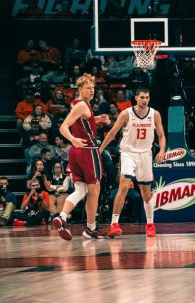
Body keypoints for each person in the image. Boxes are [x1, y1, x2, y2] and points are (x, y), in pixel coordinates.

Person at [99, 87, 166, 238]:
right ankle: (114, 224)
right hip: (128, 153)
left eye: (147, 97)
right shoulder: (126, 114)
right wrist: (100, 150)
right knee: (123, 185)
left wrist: (162, 151)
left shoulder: (154, 114)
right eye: (142, 97)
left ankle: (150, 224)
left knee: (146, 192)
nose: (145, 100)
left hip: (145, 154)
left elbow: (161, 135)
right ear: (136, 98)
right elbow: (112, 133)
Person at [52, 73, 111, 240]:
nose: (92, 91)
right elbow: (63, 127)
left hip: (76, 153)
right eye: (88, 88)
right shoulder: (82, 106)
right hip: (88, 151)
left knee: (80, 190)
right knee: (94, 191)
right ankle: (91, 228)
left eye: (93, 88)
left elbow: (82, 121)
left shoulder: (77, 104)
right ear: (80, 89)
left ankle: (62, 217)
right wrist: (72, 139)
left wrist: (97, 118)